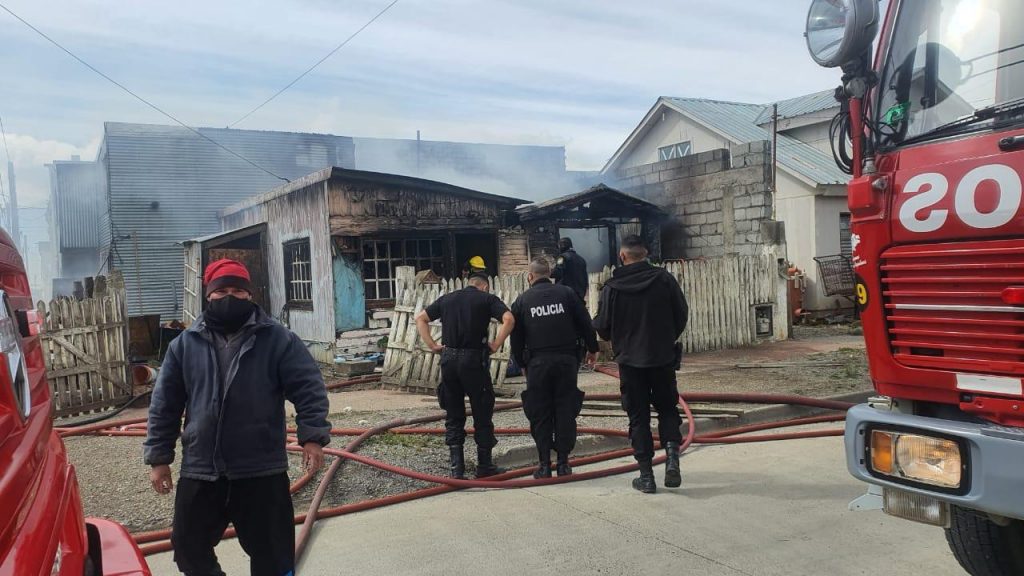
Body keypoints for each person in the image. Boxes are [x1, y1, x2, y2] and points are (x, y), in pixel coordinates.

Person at [144, 259, 330, 576]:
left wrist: (312, 437)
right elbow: (165, 406)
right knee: (188, 549)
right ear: (209, 295)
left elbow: (309, 389)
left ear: (250, 294)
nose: (229, 297)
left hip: (261, 469)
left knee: (274, 556)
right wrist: (159, 458)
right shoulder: (184, 346)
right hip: (202, 470)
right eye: (222, 291)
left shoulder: (278, 340)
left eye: (237, 290)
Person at [593, 236, 688, 494]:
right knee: (668, 409)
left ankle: (646, 477)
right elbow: (681, 315)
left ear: (623, 257)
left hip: (630, 363)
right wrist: (665, 340)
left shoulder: (612, 287)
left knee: (638, 418)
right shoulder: (664, 280)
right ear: (645, 254)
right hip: (661, 358)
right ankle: (672, 461)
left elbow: (602, 328)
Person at [415, 272, 515, 479]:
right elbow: (509, 319)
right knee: (482, 410)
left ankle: (456, 469)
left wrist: (433, 345)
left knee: (453, 412)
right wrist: (496, 344)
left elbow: (420, 318)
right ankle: (484, 466)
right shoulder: (487, 299)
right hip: (474, 360)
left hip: (449, 359)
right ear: (485, 286)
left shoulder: (448, 299)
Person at [510, 257, 598, 478]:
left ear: (530, 276)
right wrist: (592, 348)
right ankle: (563, 463)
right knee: (565, 409)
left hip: (537, 364)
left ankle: (543, 465)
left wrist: (521, 363)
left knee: (540, 412)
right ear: (549, 274)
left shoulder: (522, 300)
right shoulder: (567, 294)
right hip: (567, 361)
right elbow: (585, 323)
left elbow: (516, 337)